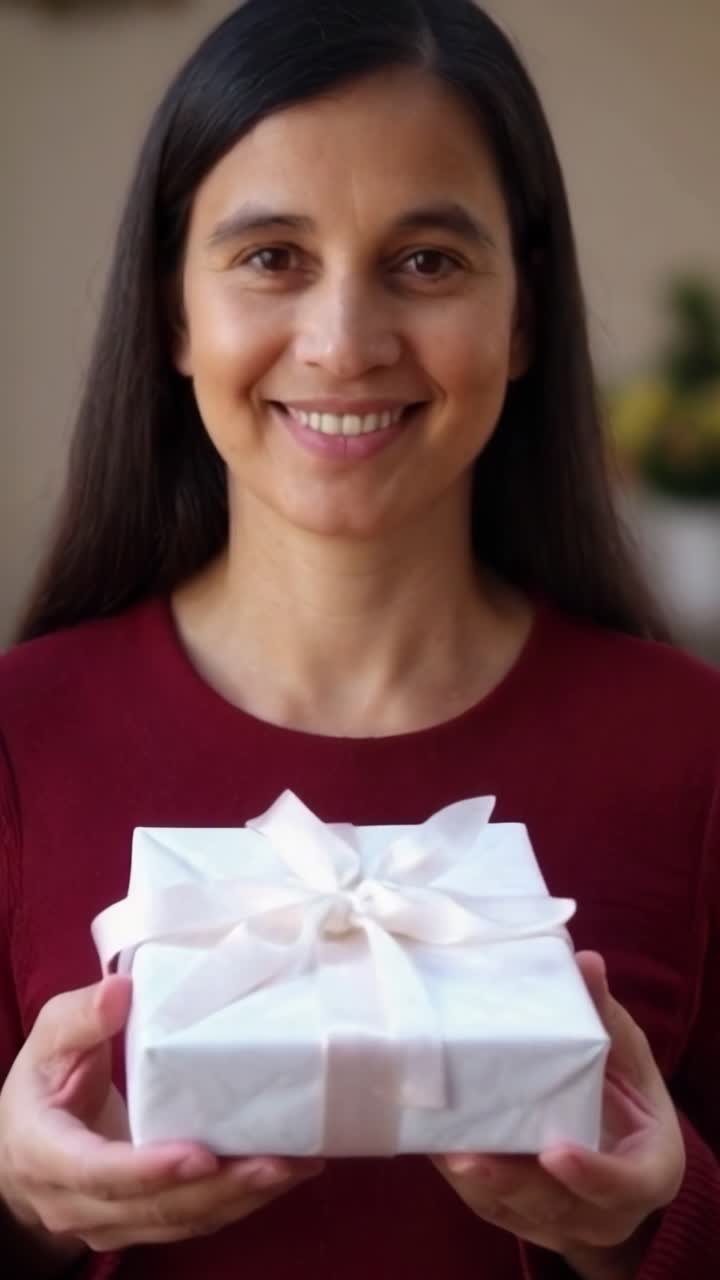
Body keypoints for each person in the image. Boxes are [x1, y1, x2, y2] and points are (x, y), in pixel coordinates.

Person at [1, 0, 718, 1276]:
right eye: (271, 255)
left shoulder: (691, 744)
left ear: (527, 315)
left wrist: (654, 1226)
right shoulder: (17, 730)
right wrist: (14, 1204)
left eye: (427, 260)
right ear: (173, 311)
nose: (344, 344)